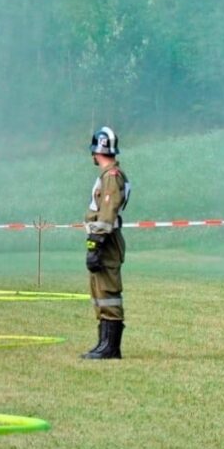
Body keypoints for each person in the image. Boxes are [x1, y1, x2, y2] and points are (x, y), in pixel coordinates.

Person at [81, 126, 131, 360]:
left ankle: (111, 347)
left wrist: (96, 243)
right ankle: (103, 343)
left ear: (97, 150)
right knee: (100, 293)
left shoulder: (112, 177)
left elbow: (107, 213)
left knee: (109, 293)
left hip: (106, 241)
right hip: (103, 240)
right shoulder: (107, 176)